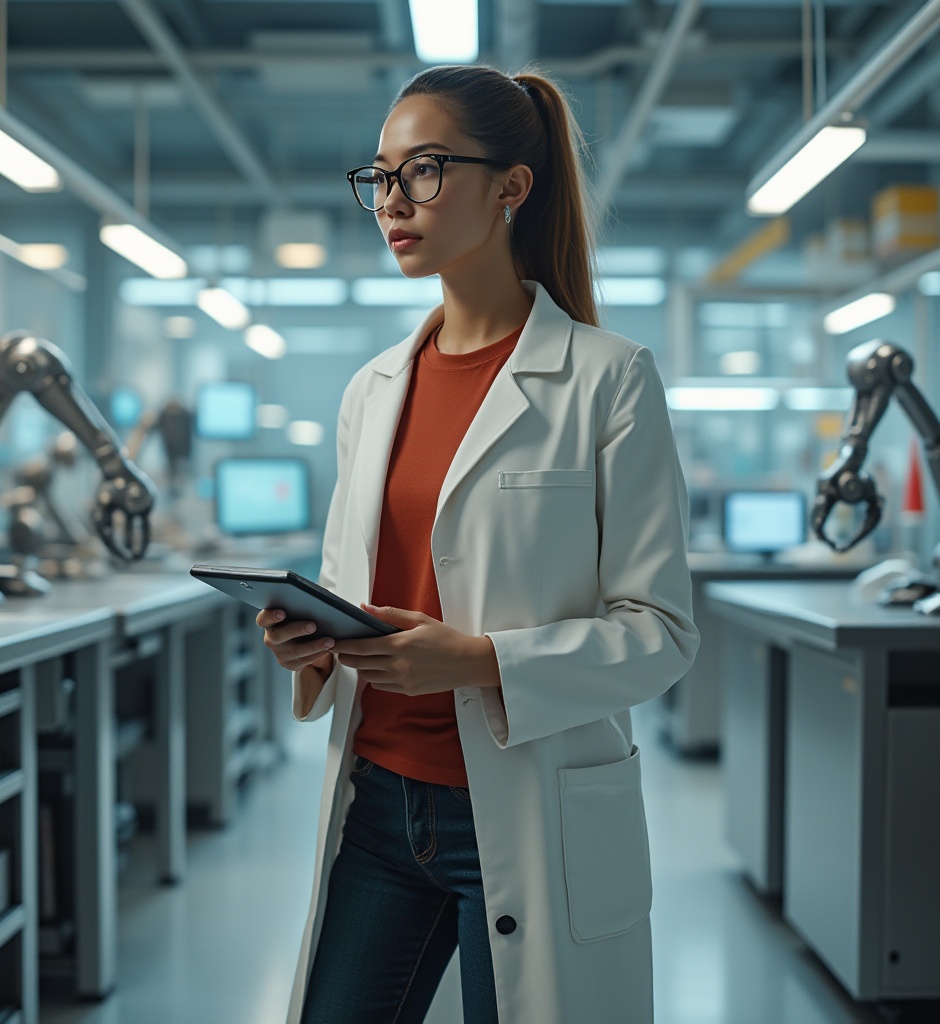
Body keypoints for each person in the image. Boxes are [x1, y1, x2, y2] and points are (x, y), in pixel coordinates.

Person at [258, 63, 699, 1024]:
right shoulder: (373, 389)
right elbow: (352, 591)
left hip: (526, 806)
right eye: (378, 177)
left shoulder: (608, 380)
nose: (391, 202)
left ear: (512, 185)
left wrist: (480, 660)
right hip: (377, 807)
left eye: (423, 171)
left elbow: (660, 631)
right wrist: (312, 648)